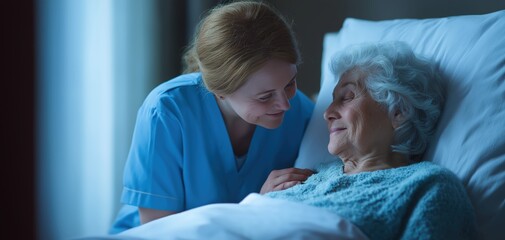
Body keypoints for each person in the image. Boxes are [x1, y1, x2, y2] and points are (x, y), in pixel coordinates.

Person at [109, 0, 314, 234]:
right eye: (265, 96)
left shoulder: (302, 113)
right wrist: (256, 207)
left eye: (290, 83)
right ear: (220, 91)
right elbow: (159, 231)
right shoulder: (166, 112)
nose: (285, 104)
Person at [266, 41, 477, 239]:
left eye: (347, 97)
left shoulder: (428, 186)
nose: (327, 113)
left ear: (399, 111)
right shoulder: (310, 175)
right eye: (332, 101)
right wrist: (262, 201)